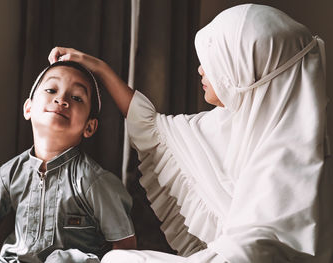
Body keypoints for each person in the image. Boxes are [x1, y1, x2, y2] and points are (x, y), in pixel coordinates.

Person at [47, 4, 332, 263]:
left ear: (249, 71)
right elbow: (154, 130)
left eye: (216, 61)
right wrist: (99, 68)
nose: (200, 69)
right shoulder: (232, 124)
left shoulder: (292, 161)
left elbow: (252, 253)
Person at [0, 61, 137, 263]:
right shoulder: (11, 173)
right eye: (51, 89)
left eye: (76, 97)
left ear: (89, 127)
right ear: (28, 109)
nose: (61, 99)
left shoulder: (94, 181)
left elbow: (125, 246)